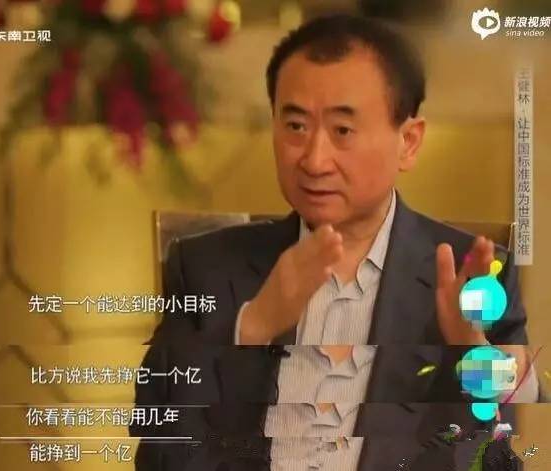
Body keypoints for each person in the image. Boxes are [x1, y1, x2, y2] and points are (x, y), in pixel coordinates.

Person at [132, 14, 539, 470]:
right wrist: (250, 330)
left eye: (342, 130)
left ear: (408, 142)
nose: (314, 159)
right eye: (295, 126)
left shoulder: (475, 281)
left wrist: (470, 360)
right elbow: (161, 450)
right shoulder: (206, 268)